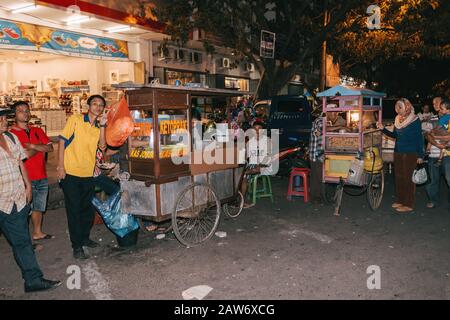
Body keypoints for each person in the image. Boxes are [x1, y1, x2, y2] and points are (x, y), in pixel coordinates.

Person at [0, 108, 60, 293]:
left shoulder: (10, 137)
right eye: (0, 118)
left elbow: (20, 161)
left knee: (22, 242)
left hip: (16, 199)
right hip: (2, 201)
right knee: (21, 242)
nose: (4, 120)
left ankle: (33, 280)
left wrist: (27, 186)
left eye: (3, 117)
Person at [57, 94, 107, 260]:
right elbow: (62, 142)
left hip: (87, 173)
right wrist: (60, 166)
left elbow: (102, 146)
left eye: (101, 105)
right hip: (70, 172)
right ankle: (76, 245)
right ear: (88, 106)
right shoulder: (76, 119)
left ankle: (85, 238)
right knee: (74, 211)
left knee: (87, 209)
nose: (98, 107)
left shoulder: (98, 126)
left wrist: (103, 126)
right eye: (95, 104)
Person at [10, 101, 54, 243]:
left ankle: (37, 232)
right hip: (23, 179)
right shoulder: (10, 135)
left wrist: (33, 146)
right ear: (15, 115)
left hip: (41, 175)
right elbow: (24, 155)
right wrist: (39, 148)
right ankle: (24, 240)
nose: (25, 113)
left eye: (27, 110)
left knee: (39, 207)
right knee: (23, 211)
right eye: (20, 110)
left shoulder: (37, 130)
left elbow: (50, 148)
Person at [381, 98, 424, 213]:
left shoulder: (415, 120)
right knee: (399, 177)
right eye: (397, 107)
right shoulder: (397, 120)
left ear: (407, 107)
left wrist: (420, 155)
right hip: (398, 151)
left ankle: (408, 204)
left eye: (400, 107)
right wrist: (383, 129)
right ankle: (400, 200)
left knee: (408, 179)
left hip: (410, 153)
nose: (397, 109)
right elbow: (394, 135)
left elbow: (419, 139)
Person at [309, 112, 346, 204]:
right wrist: (340, 127)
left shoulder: (327, 122)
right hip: (316, 154)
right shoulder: (319, 120)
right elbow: (324, 129)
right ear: (328, 113)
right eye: (334, 114)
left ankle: (321, 197)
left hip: (322, 154)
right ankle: (315, 198)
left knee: (322, 176)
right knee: (317, 177)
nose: (336, 116)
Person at [425, 99, 450, 208]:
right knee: (433, 179)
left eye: (437, 103)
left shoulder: (447, 118)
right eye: (433, 103)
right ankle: (433, 200)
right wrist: (436, 144)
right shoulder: (432, 119)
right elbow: (427, 135)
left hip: (448, 154)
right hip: (433, 154)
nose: (435, 105)